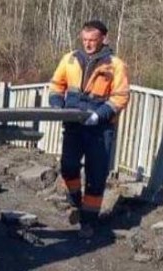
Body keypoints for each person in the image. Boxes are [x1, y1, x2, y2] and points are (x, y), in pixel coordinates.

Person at [49, 19, 130, 238]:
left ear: (103, 39)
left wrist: (100, 114)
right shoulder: (70, 59)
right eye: (85, 40)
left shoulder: (115, 65)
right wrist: (57, 106)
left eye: (93, 40)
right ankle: (75, 199)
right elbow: (56, 86)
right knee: (68, 166)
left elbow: (120, 97)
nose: (88, 44)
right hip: (74, 123)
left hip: (100, 129)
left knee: (96, 175)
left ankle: (88, 221)